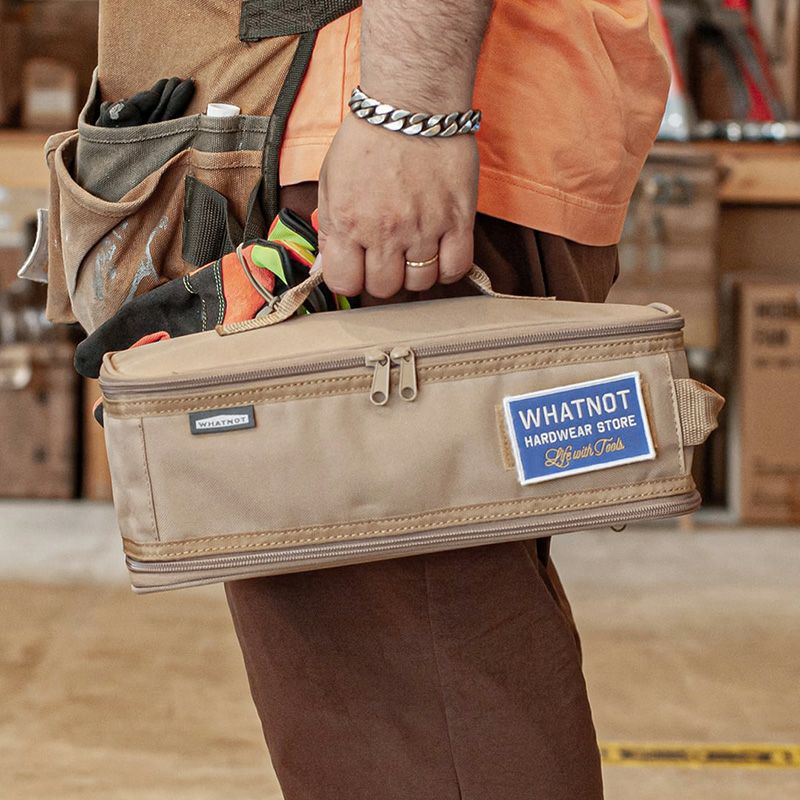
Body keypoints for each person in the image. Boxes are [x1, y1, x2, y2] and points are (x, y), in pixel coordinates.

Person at [84, 1, 670, 797]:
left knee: (414, 734)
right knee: (424, 696)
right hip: (360, 133)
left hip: (370, 147)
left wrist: (408, 115)